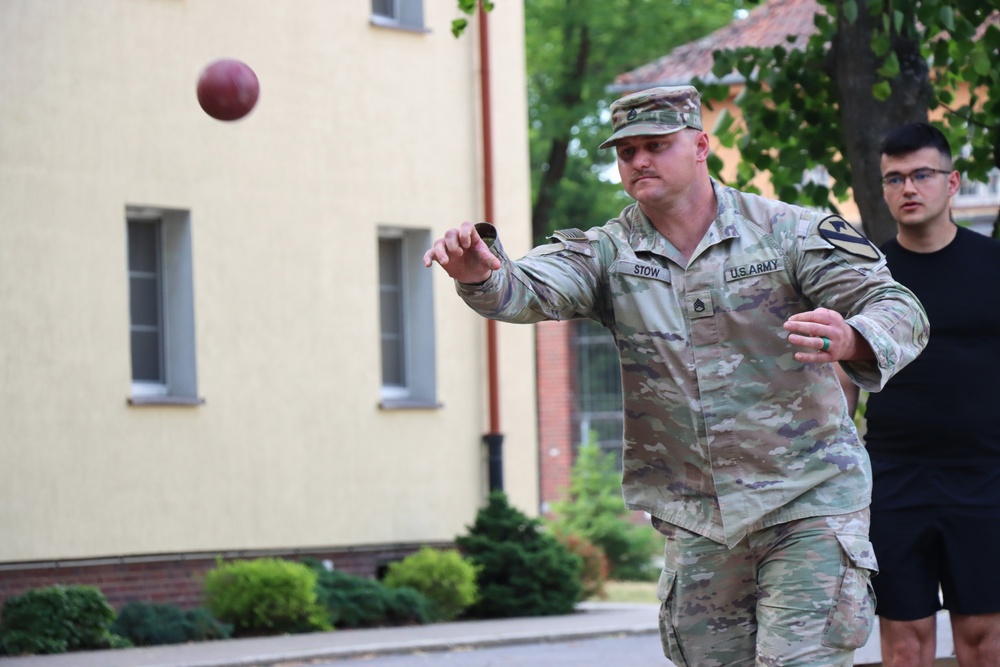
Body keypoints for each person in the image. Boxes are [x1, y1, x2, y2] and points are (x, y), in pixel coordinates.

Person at [424, 86, 928, 666]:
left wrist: (854, 336)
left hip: (808, 500)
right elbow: (528, 287)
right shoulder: (609, 253)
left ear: (700, 146)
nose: (639, 160)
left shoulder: (788, 231)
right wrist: (479, 275)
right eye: (626, 151)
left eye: (656, 145)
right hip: (699, 520)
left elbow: (898, 306)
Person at [840, 122, 1000, 667]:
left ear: (952, 183)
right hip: (894, 480)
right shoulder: (867, 280)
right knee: (905, 643)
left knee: (985, 639)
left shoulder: (993, 265)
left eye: (922, 175)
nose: (908, 188)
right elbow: (840, 387)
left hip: (985, 478)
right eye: (895, 178)